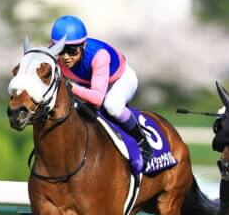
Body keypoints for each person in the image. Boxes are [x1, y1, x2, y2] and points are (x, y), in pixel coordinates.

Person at [50, 15, 153, 165]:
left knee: (112, 106)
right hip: (87, 83)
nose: (65, 57)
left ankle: (142, 142)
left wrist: (69, 86)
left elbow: (97, 98)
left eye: (71, 51)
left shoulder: (99, 55)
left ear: (83, 45)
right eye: (61, 51)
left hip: (119, 80)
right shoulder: (53, 55)